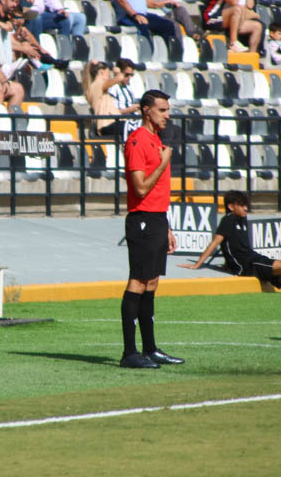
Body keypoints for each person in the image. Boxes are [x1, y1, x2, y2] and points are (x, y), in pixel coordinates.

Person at [118, 89, 183, 370]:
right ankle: (130, 353)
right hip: (142, 219)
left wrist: (166, 225)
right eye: (162, 110)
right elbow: (141, 187)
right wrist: (164, 162)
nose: (167, 115)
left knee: (152, 283)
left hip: (156, 219)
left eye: (167, 110)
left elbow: (157, 192)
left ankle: (150, 349)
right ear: (147, 110)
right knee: (138, 282)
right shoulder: (137, 141)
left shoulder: (155, 139)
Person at [83, 59, 138, 139]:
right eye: (108, 75)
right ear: (102, 72)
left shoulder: (97, 87)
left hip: (114, 123)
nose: (109, 77)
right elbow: (119, 78)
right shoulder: (97, 85)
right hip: (107, 125)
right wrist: (117, 72)